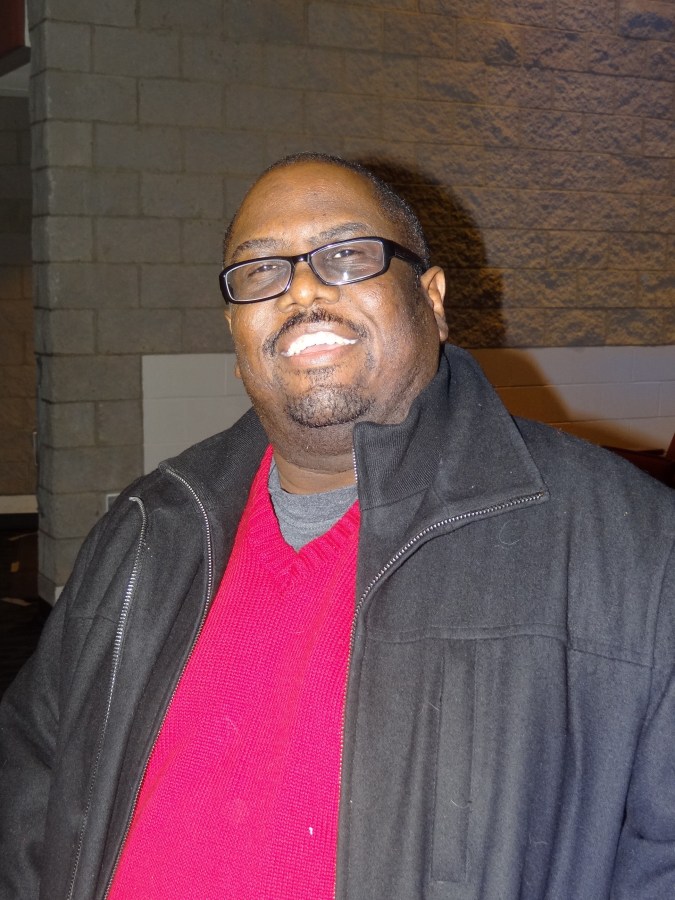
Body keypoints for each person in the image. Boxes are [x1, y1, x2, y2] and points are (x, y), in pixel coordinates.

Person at [1, 153, 674, 900]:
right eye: (261, 271)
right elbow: (31, 781)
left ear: (432, 300)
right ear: (235, 331)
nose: (302, 289)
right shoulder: (145, 532)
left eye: (348, 255)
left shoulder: (631, 547)